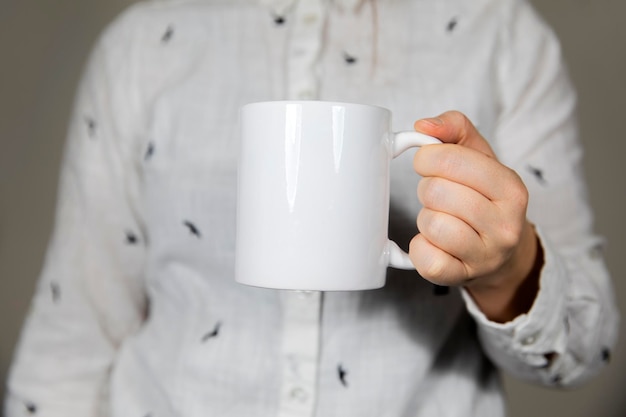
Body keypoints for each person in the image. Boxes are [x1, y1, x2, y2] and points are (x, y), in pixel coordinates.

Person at [4, 0, 619, 416]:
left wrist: (508, 272)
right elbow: (73, 335)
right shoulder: (145, 43)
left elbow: (588, 348)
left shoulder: (504, 36)